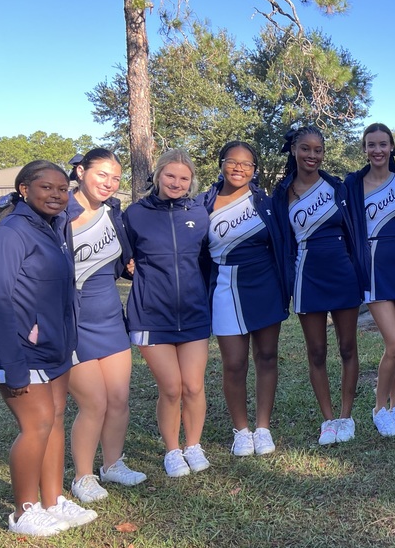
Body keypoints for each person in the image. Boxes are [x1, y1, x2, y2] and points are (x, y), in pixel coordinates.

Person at [0, 161, 97, 535]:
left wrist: (68, 338)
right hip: (15, 348)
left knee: (55, 418)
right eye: (46, 188)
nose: (57, 195)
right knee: (37, 423)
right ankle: (23, 511)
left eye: (62, 189)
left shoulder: (55, 228)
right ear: (24, 189)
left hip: (54, 346)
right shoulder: (11, 232)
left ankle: (52, 499)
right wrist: (12, 363)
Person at [272, 125, 363, 446]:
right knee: (317, 352)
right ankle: (328, 421)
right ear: (294, 150)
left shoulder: (337, 187)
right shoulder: (282, 193)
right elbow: (283, 242)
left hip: (343, 274)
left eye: (318, 150)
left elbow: (355, 231)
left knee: (348, 347)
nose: (312, 155)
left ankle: (346, 416)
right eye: (306, 149)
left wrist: (357, 267)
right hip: (307, 276)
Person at [123, 149, 211, 477]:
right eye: (170, 176)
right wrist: (128, 269)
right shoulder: (135, 214)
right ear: (158, 176)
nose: (176, 182)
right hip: (151, 314)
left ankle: (194, 445)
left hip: (193, 313)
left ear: (191, 182)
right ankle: (173, 450)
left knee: (193, 385)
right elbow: (123, 259)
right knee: (171, 387)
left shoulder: (200, 214)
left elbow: (207, 260)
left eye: (183, 178)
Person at [66, 149, 147, 504]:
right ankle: (82, 477)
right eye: (102, 175)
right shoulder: (59, 214)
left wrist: (128, 267)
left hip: (110, 316)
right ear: (81, 172)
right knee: (94, 402)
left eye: (115, 178)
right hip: (72, 321)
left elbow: (121, 261)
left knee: (118, 399)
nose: (109, 183)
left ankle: (112, 464)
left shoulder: (114, 213)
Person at [202, 141, 288, 457]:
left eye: (247, 164)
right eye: (233, 162)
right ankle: (241, 430)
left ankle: (262, 427)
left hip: (265, 284)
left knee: (267, 357)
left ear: (255, 170)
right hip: (225, 287)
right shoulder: (204, 205)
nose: (239, 168)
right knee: (234, 364)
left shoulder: (265, 202)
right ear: (221, 163)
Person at [344, 123, 395, 437]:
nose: (377, 150)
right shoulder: (353, 184)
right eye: (371, 144)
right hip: (374, 270)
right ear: (364, 149)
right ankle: (379, 408)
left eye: (383, 144)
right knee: (393, 345)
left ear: (392, 147)